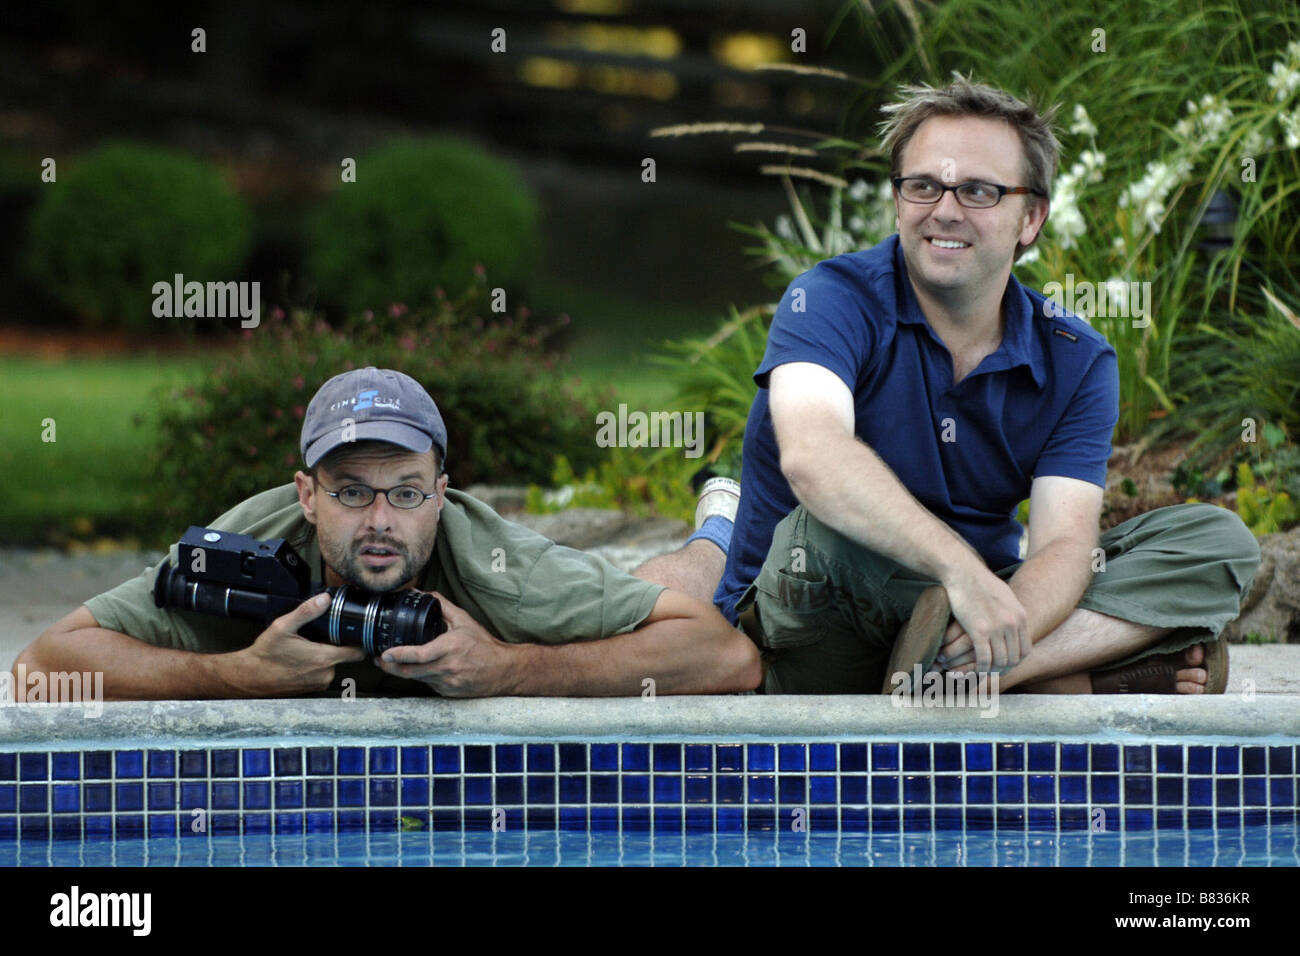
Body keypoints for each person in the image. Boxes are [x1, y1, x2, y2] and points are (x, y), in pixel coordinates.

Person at [652, 77, 1261, 695]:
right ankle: (1082, 663)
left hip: (967, 613)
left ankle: (977, 669)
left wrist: (1001, 616)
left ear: (1030, 218)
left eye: (977, 191)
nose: (944, 209)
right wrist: (963, 573)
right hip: (816, 622)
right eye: (922, 185)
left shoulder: (1077, 359)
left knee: (1216, 541)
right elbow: (813, 457)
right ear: (898, 200)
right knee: (825, 524)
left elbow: (1063, 546)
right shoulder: (830, 298)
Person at [13, 367, 761, 700]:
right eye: (351, 492)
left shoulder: (497, 570)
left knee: (671, 588)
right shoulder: (247, 546)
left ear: (441, 495)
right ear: (306, 495)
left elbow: (725, 656)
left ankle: (720, 517)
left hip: (516, 611)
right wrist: (233, 675)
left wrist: (510, 668)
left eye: (406, 493)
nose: (379, 521)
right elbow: (41, 670)